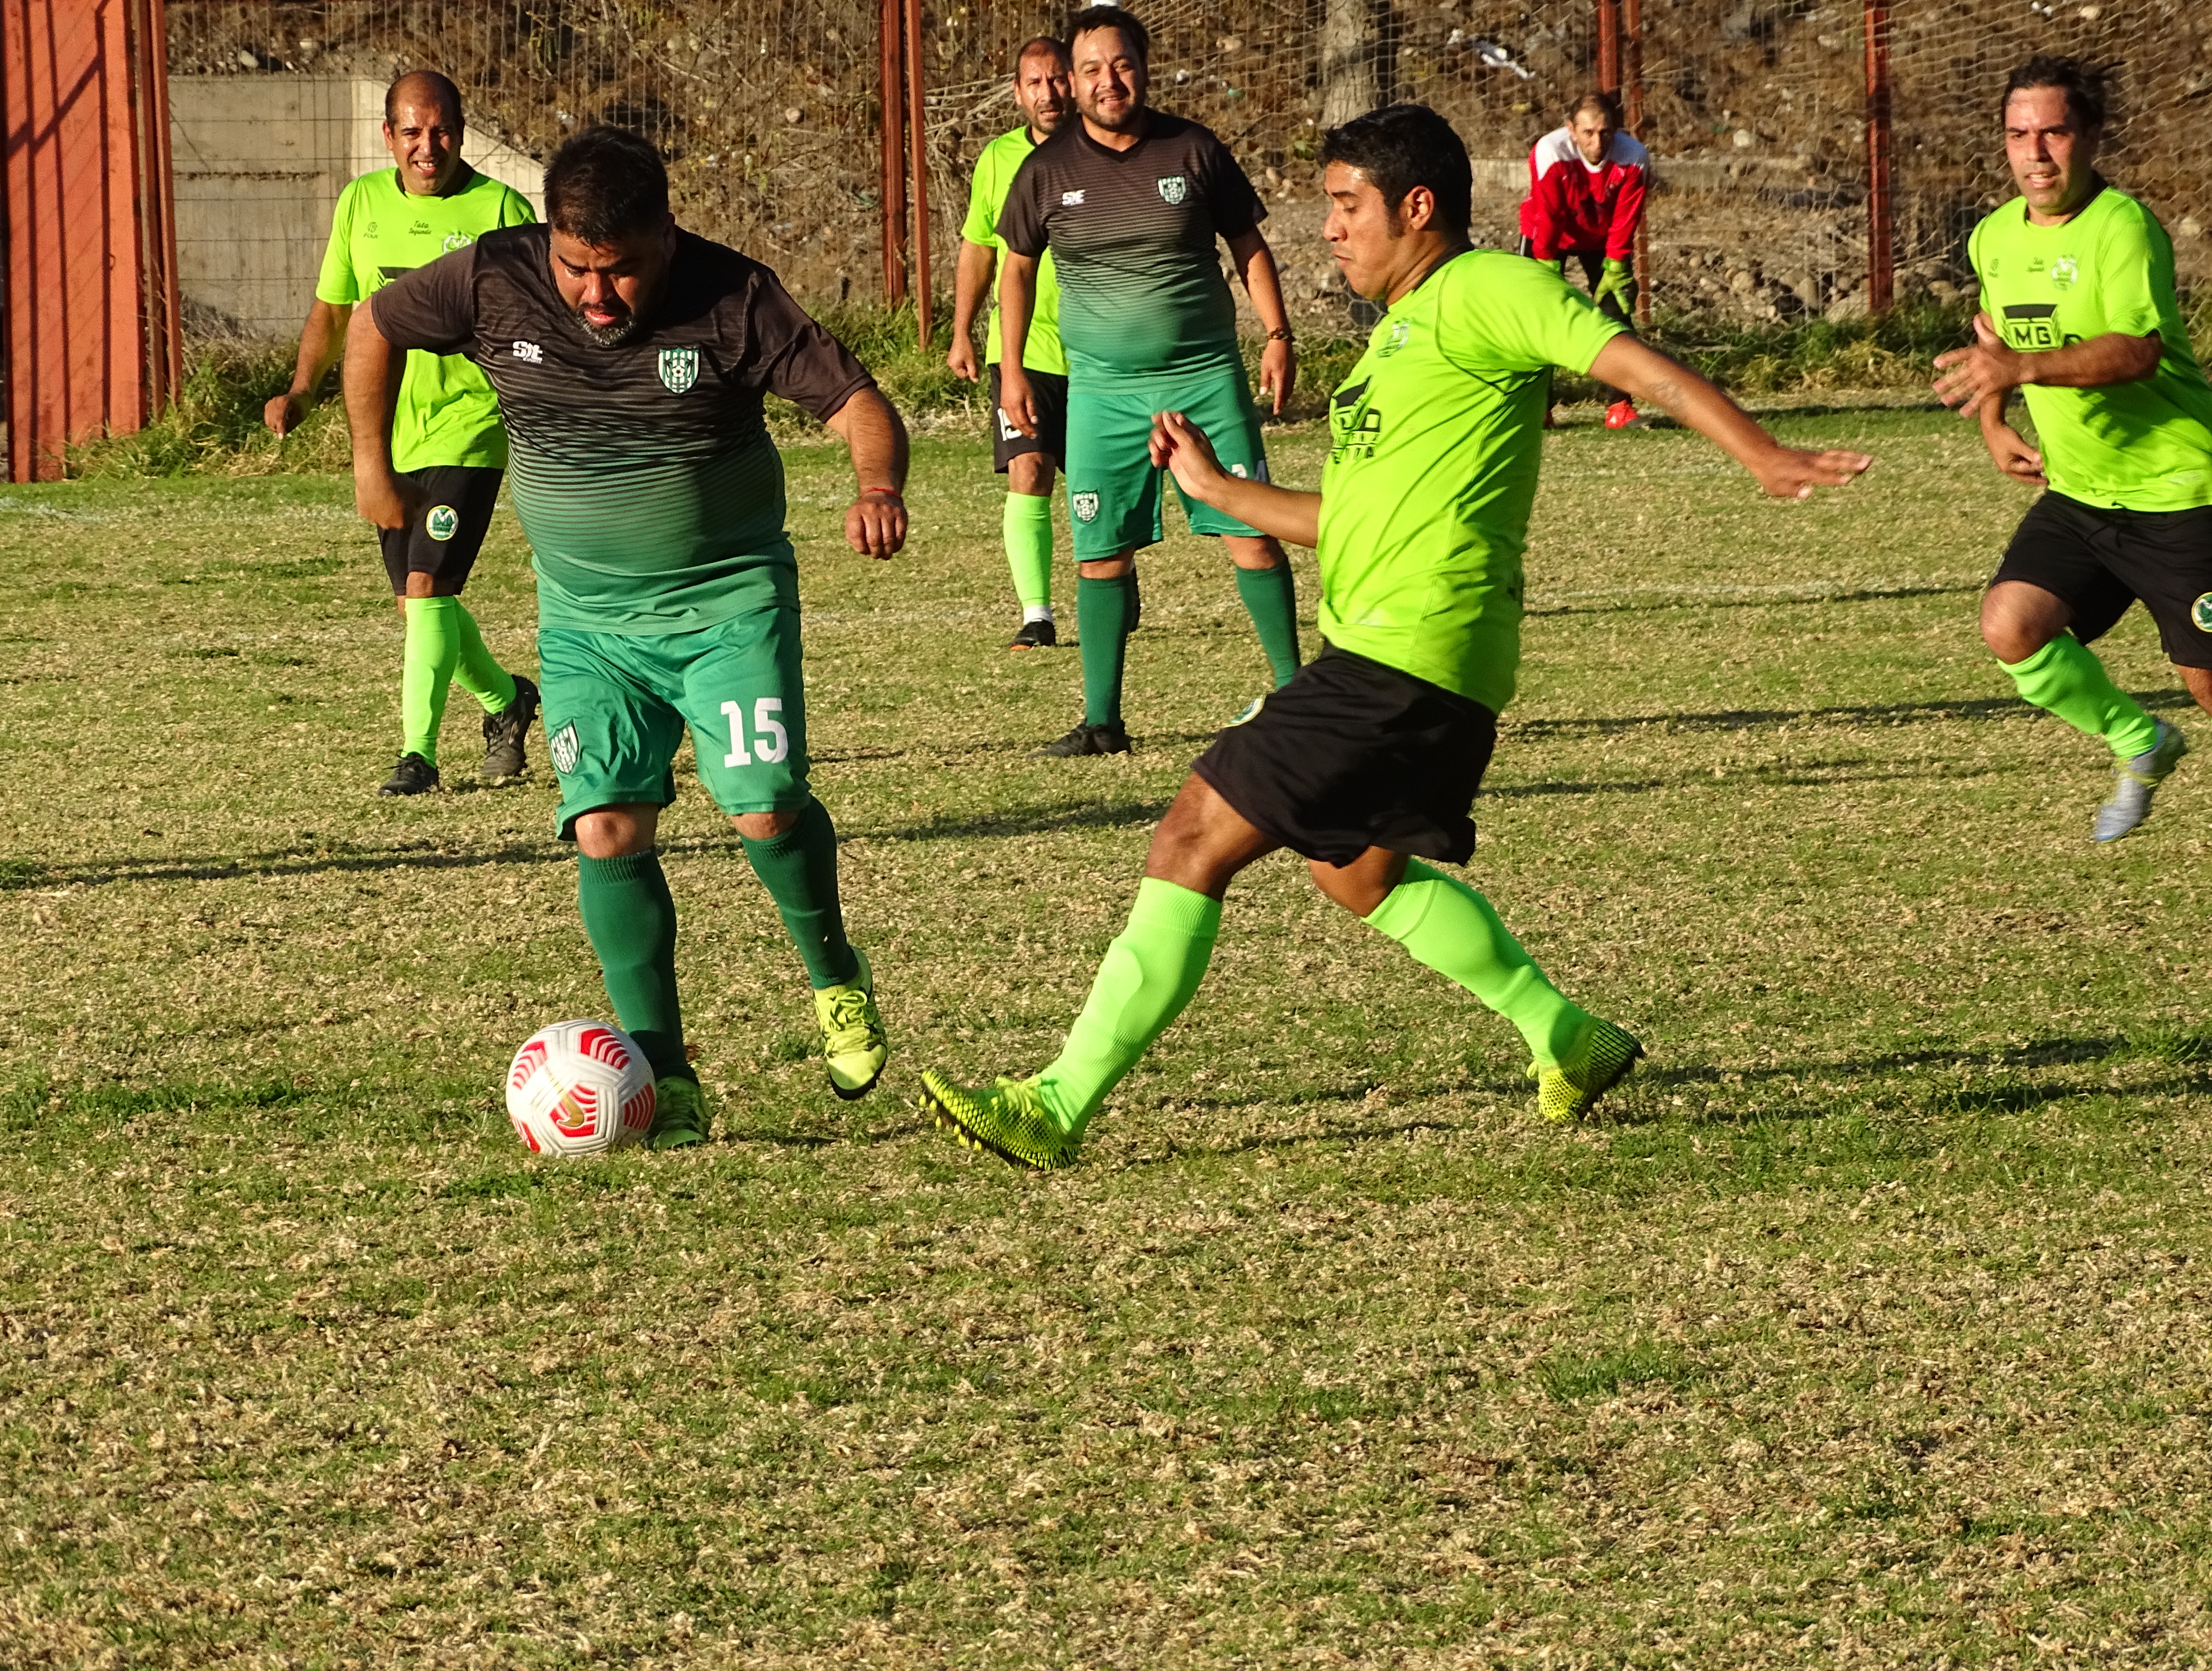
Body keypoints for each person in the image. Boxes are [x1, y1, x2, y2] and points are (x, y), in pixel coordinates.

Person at [918, 102, 1869, 1170]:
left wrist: (1759, 452)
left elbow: (1633, 364)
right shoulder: (1397, 341)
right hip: (1411, 663)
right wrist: (1216, 486)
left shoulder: (1490, 291)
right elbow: (1347, 517)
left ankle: (1055, 1101)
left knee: (1190, 835)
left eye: (1346, 205)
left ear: (1418, 208)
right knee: (1353, 873)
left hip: (1403, 659)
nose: (1328, 229)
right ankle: (1566, 1034)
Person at [343, 126, 912, 1149]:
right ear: (548, 239)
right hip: (586, 624)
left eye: (621, 273)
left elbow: (860, 404)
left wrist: (877, 485)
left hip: (725, 606)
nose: (596, 297)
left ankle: (835, 976)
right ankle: (668, 1075)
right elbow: (373, 324)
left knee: (766, 814)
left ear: (667, 237)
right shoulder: (491, 279)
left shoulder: (734, 296)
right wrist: (369, 464)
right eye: (576, 271)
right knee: (605, 827)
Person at [994, 5, 1303, 757]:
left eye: (1121, 64)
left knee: (1251, 535)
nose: (1108, 82)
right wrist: (1009, 372)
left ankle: (1297, 701)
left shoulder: (1192, 150)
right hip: (1100, 389)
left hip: (1203, 378)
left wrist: (1276, 333)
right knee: (1099, 552)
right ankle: (1102, 723)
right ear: (1072, 79)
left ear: (1143, 66)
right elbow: (1016, 271)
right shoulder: (1044, 171)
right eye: (1092, 69)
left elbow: (1247, 245)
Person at [1934, 56, 2212, 842]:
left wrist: (2018, 368)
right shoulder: (1991, 237)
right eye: (2018, 135)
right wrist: (1992, 421)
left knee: (2203, 681)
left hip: (2176, 492)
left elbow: (2135, 350)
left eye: (2053, 132)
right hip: (2080, 492)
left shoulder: (2120, 227)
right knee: (2009, 624)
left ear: (2088, 137)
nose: (2035, 153)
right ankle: (2138, 741)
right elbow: (1993, 338)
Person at [266, 70, 541, 795]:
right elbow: (332, 313)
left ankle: (417, 755)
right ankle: (507, 702)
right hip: (386, 433)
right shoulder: (361, 204)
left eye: (441, 130)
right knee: (422, 605)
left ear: (462, 130)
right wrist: (302, 390)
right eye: (412, 132)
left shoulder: (500, 210)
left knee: (425, 589)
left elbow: (534, 324)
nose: (429, 146)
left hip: (471, 428)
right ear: (388, 136)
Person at [948, 37, 1074, 651]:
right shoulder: (998, 160)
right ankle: (1038, 613)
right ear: (1019, 92)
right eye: (1035, 83)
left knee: (1111, 485)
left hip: (1101, 349)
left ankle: (1117, 581)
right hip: (1022, 351)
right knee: (1029, 470)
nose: (1048, 93)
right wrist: (962, 330)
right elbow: (979, 247)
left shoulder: (1103, 154)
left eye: (1057, 80)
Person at [1518, 90, 1650, 429]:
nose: (1597, 141)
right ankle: (1537, 409)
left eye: (1605, 132)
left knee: (1616, 315)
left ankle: (1619, 407)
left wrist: (1617, 266)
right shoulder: (1549, 152)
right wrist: (1545, 266)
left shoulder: (1634, 157)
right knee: (1536, 320)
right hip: (1549, 236)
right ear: (1571, 130)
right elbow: (1549, 213)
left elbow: (1626, 218)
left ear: (1616, 129)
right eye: (1588, 133)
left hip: (1603, 239)